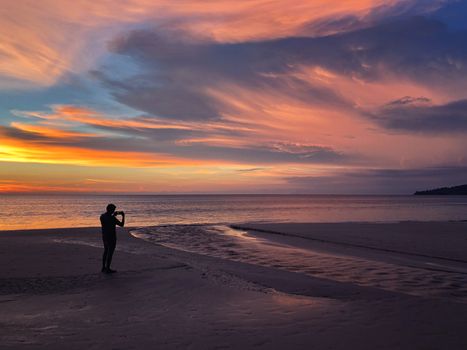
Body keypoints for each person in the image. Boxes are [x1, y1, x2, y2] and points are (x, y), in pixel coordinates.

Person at [100, 203, 125, 273]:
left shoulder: (102, 216)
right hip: (111, 237)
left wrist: (113, 215)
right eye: (113, 210)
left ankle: (103, 267)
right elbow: (122, 224)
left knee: (105, 251)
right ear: (111, 210)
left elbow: (107, 222)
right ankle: (108, 268)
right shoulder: (112, 218)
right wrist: (123, 216)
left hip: (104, 236)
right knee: (110, 253)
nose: (114, 211)